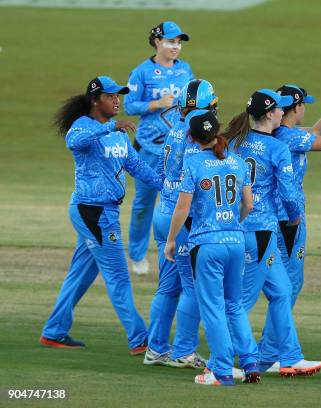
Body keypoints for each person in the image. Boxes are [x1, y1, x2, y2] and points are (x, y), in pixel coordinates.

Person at [41, 76, 162, 355]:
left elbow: (137, 166)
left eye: (119, 95)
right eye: (111, 96)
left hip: (104, 211)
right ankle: (140, 339)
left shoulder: (118, 133)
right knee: (118, 276)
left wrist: (167, 186)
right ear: (95, 100)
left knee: (80, 274)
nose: (117, 100)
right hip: (93, 211)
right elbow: (74, 141)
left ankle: (54, 331)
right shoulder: (84, 126)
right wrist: (108, 127)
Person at [223, 89, 321, 376]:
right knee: (242, 301)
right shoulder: (276, 148)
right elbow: (289, 192)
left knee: (281, 292)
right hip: (261, 230)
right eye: (279, 108)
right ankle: (220, 362)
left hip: (239, 226)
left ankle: (291, 357)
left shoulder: (235, 141)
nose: (284, 112)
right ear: (270, 114)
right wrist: (294, 217)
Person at [257, 82, 321, 368]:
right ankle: (269, 353)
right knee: (286, 287)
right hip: (287, 220)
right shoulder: (288, 138)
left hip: (271, 219)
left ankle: (268, 351)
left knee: (279, 286)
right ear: (296, 108)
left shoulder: (279, 134)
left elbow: (313, 134)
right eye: (304, 105)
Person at [165, 109, 260, 386]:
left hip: (207, 244)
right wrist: (232, 224)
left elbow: (183, 207)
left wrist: (171, 240)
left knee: (213, 307)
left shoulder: (193, 163)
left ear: (191, 137)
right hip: (235, 241)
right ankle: (251, 360)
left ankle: (220, 371)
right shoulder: (237, 161)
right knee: (235, 304)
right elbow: (249, 205)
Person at [144, 79, 217, 369]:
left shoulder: (176, 125)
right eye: (212, 105)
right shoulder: (195, 136)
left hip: (163, 213)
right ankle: (183, 351)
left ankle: (156, 348)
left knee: (168, 287)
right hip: (182, 219)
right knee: (194, 287)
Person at [125, 21, 194, 275]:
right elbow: (129, 105)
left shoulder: (185, 70)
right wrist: (155, 104)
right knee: (144, 203)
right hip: (149, 149)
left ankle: (179, 250)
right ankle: (137, 255)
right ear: (157, 42)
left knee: (181, 201)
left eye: (178, 43)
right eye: (170, 41)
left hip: (179, 150)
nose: (175, 47)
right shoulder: (141, 72)